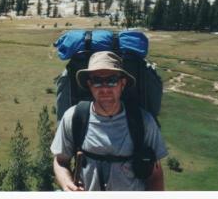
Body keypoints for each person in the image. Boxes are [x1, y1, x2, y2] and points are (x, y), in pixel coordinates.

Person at [51, 51, 168, 191]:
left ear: (122, 84)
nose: (105, 88)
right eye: (97, 81)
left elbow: (155, 175)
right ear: (89, 84)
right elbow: (60, 162)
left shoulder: (143, 122)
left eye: (112, 80)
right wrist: (67, 184)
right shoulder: (74, 118)